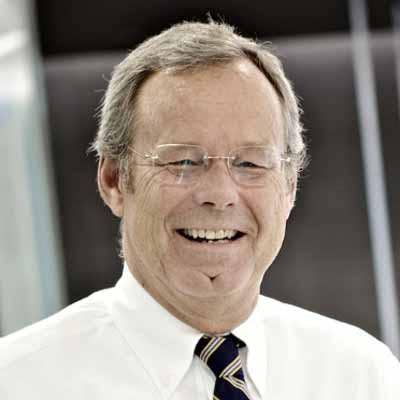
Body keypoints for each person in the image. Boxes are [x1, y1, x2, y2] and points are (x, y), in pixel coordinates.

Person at [1, 20, 399, 400]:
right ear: (114, 180)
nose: (220, 194)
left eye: (250, 163)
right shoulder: (18, 382)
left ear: (289, 188)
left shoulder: (362, 376)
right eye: (183, 162)